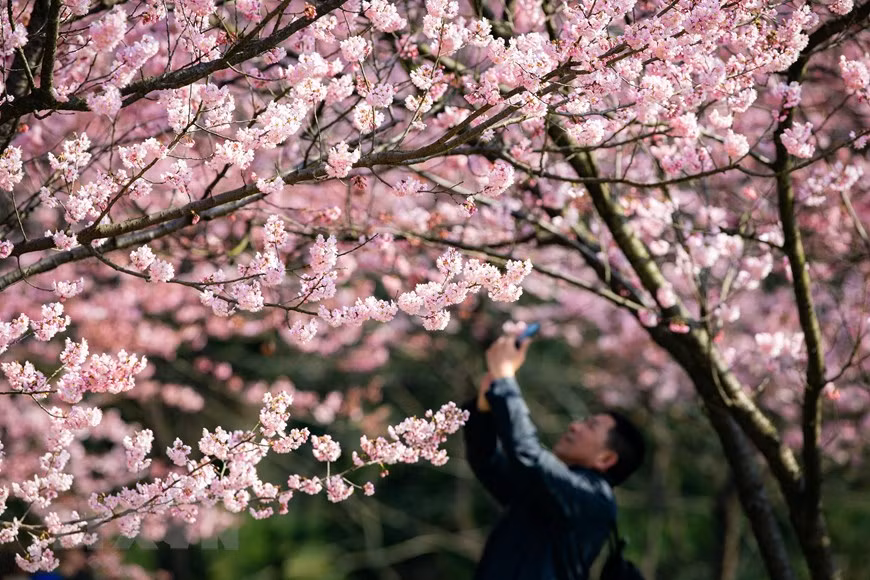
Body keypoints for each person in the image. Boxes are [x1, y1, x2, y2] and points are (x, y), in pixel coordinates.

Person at [463, 330, 646, 580]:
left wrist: (506, 380)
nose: (574, 426)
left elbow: (528, 455)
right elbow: (486, 461)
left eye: (590, 426)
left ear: (606, 459)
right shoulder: (547, 493)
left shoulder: (593, 498)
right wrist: (484, 408)